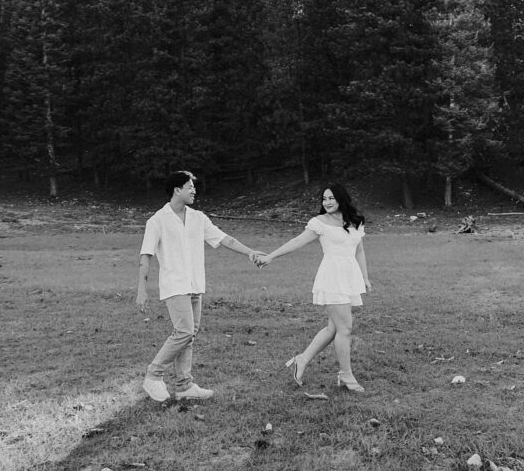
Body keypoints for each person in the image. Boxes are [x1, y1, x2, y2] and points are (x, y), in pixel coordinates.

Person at [137, 170, 264, 403]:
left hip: (195, 284)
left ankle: (184, 386)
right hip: (174, 285)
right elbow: (146, 255)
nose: (194, 191)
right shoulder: (157, 220)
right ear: (177, 190)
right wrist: (141, 290)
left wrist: (250, 252)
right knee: (184, 332)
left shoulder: (198, 218)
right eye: (190, 187)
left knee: (189, 335)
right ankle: (153, 376)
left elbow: (224, 238)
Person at [257, 183, 371, 392]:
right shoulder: (319, 222)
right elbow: (297, 241)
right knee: (345, 328)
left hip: (349, 277)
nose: (326, 202)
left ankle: (302, 359)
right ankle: (346, 375)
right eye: (324, 199)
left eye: (331, 198)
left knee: (333, 328)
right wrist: (271, 256)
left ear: (341, 199)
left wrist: (365, 277)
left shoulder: (355, 221)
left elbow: (360, 251)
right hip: (332, 278)